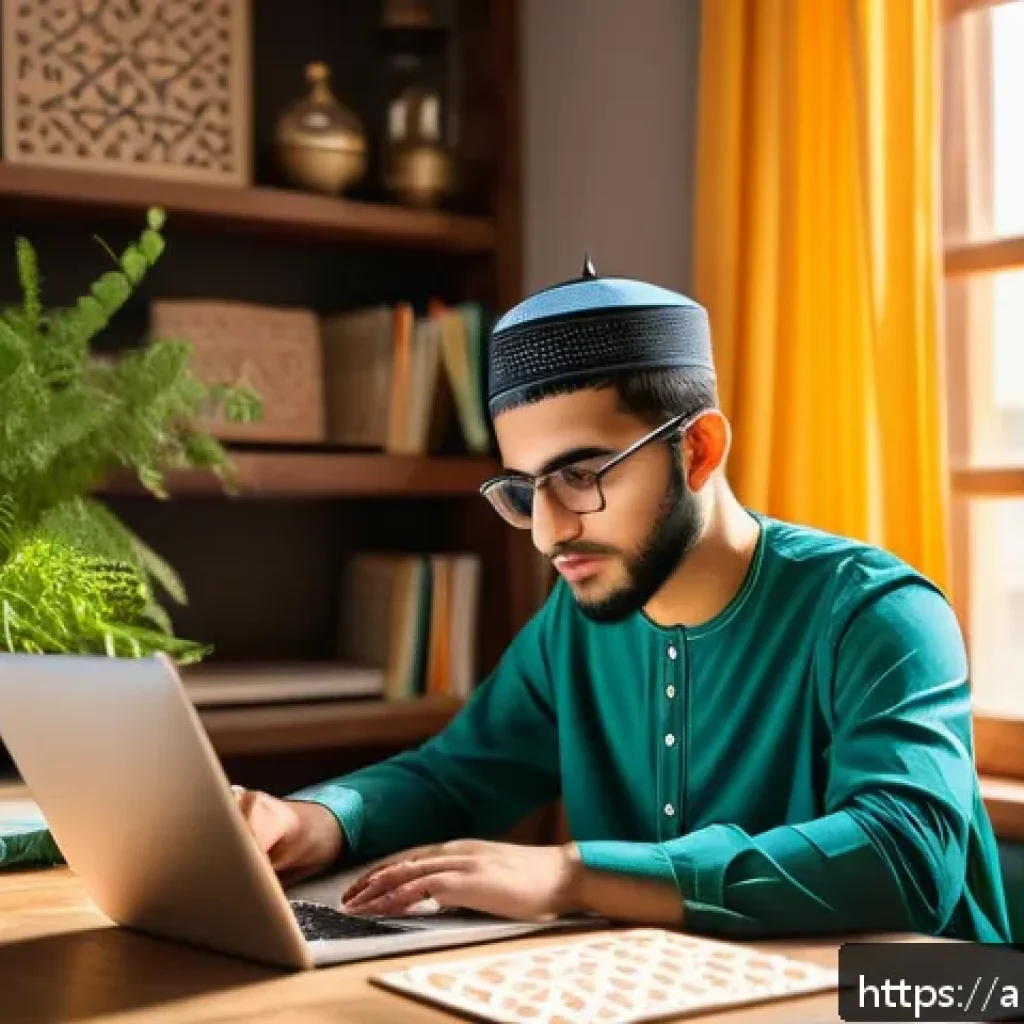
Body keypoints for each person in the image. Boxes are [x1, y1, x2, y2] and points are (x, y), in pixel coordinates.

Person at [235, 261, 1011, 941]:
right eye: (525, 488)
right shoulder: (575, 623)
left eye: (582, 475)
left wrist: (575, 875)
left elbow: (905, 856)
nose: (547, 531)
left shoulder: (880, 614)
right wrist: (316, 821)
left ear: (699, 450)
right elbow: (455, 777)